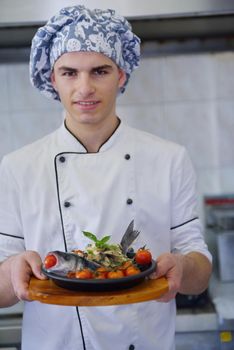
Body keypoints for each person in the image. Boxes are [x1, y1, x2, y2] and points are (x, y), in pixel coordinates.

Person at [0, 5, 212, 350]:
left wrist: (183, 267)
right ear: (52, 78)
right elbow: (2, 294)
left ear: (121, 75)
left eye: (99, 71)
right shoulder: (18, 167)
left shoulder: (169, 159)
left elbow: (199, 272)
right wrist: (12, 271)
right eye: (69, 73)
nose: (84, 88)